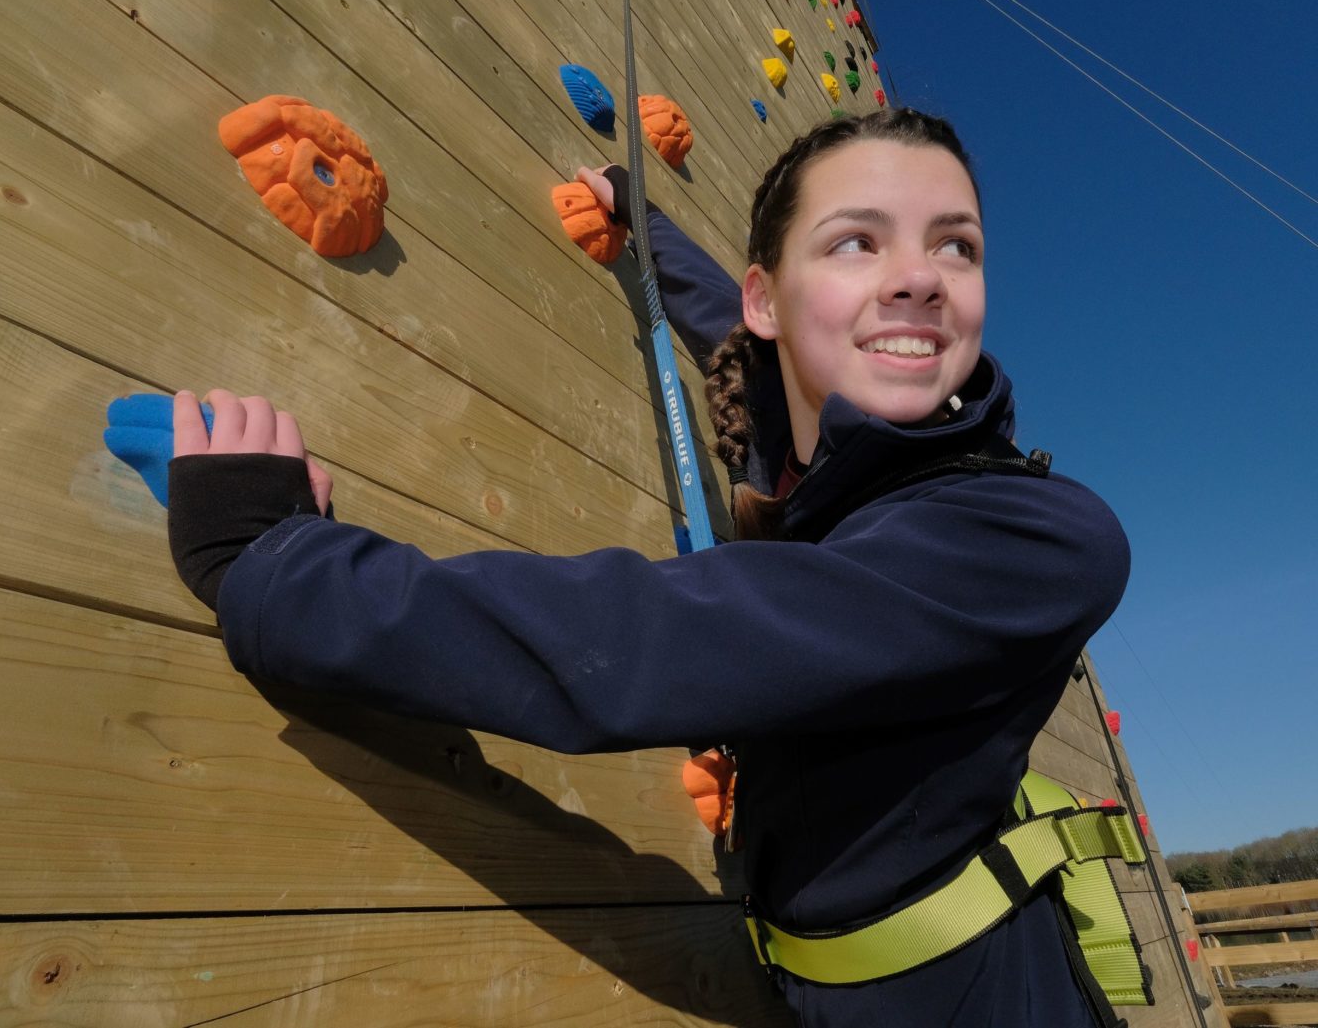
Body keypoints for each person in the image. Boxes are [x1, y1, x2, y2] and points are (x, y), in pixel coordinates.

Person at [165, 109, 1130, 1027]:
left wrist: (280, 572)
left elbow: (643, 644)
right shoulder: (832, 466)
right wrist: (647, 230)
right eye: (856, 241)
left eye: (954, 245)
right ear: (769, 296)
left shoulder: (1033, 540)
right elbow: (749, 345)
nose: (919, 278)